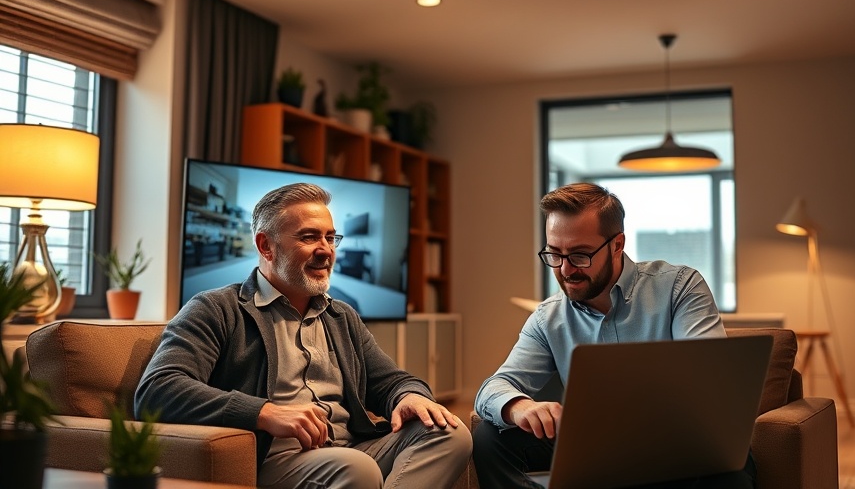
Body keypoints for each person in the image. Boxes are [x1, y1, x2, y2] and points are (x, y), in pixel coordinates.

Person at [136, 183, 471, 489]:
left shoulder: (342, 315)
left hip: (350, 447)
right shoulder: (216, 308)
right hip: (275, 457)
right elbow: (158, 388)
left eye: (330, 237)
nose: (326, 250)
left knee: (450, 433)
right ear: (266, 246)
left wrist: (409, 395)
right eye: (309, 237)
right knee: (356, 469)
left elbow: (388, 381)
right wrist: (264, 412)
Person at [472, 182, 754, 489]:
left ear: (617, 245)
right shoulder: (548, 318)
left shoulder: (678, 288)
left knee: (730, 475)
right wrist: (519, 406)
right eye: (555, 254)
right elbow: (492, 389)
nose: (566, 270)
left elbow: (711, 378)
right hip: (594, 444)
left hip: (678, 443)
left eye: (580, 255)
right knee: (489, 438)